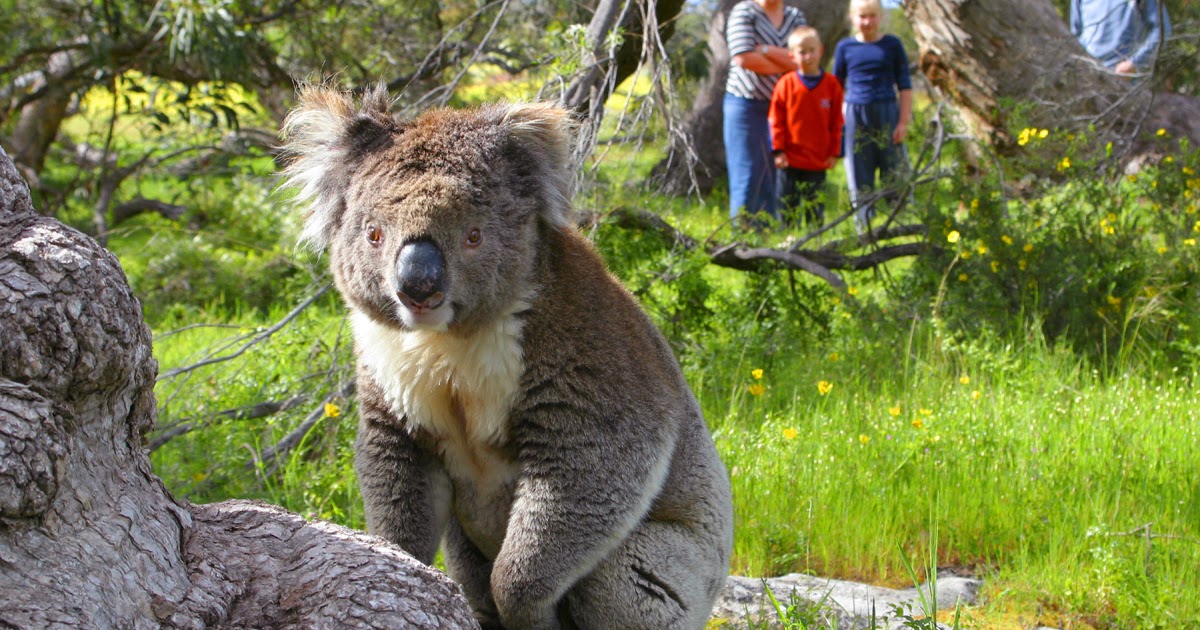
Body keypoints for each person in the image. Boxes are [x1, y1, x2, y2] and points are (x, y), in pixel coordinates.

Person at [724, 0, 807, 228]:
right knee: (748, 172)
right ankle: (743, 236)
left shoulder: (795, 16)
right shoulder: (744, 11)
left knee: (778, 171)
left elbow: (805, 57)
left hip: (784, 106)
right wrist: (787, 62)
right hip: (745, 105)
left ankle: (773, 234)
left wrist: (766, 50)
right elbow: (743, 57)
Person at [832, 0, 912, 233]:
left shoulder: (892, 45)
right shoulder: (845, 47)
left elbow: (905, 86)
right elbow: (836, 87)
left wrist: (903, 122)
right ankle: (863, 224)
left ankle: (900, 221)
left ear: (881, 17)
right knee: (859, 169)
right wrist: (838, 125)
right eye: (862, 16)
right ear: (853, 18)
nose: (867, 22)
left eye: (872, 16)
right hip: (855, 112)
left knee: (894, 167)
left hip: (887, 109)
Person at [769, 26, 844, 228]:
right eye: (802, 52)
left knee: (815, 210)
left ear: (820, 50)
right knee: (787, 209)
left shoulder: (832, 84)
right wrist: (778, 151)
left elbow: (838, 121)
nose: (808, 56)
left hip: (817, 161)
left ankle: (814, 245)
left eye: (812, 50)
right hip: (790, 161)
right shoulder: (785, 84)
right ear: (792, 55)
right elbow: (776, 120)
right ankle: (788, 245)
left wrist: (835, 152)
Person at [1070, 0, 1171, 75]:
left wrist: (1133, 64)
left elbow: (1162, 30)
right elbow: (1076, 34)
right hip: (1087, 76)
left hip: (1123, 82)